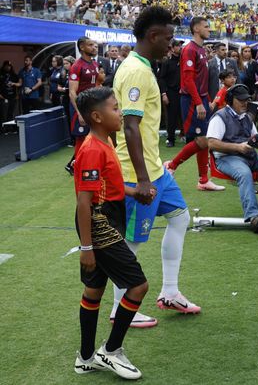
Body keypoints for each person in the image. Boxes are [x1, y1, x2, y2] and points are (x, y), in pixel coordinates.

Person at [114, 6, 201, 328]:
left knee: (180, 217)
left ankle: (170, 292)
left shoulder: (142, 66)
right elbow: (131, 127)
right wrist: (140, 181)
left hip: (155, 170)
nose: (172, 45)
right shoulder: (136, 71)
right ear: (152, 36)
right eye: (168, 38)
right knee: (132, 242)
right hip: (140, 175)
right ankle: (119, 309)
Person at [72, 87, 146, 379]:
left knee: (94, 290)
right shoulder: (91, 149)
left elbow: (108, 186)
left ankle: (86, 357)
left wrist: (133, 191)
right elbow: (83, 201)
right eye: (115, 108)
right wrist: (86, 248)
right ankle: (110, 351)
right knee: (138, 286)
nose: (121, 113)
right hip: (98, 221)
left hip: (108, 215)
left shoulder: (105, 142)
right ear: (96, 116)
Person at [207, 84, 258, 234]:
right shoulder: (219, 117)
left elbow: (256, 142)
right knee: (245, 173)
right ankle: (253, 217)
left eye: (247, 100)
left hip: (250, 156)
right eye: (241, 100)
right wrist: (238, 147)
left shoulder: (247, 118)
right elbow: (211, 143)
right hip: (228, 158)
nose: (245, 103)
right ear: (231, 100)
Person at [164, 17, 225, 192]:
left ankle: (203, 180)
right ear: (196, 29)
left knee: (203, 139)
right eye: (206, 26)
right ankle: (172, 165)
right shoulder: (190, 49)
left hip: (201, 98)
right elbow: (189, 79)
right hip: (192, 100)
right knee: (202, 140)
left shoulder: (200, 49)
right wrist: (199, 103)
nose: (209, 29)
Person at [66, 36, 100, 175]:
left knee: (93, 137)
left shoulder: (95, 64)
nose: (94, 47)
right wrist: (79, 112)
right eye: (90, 45)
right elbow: (72, 92)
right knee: (81, 139)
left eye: (95, 45)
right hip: (80, 109)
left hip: (92, 107)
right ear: (82, 47)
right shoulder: (76, 66)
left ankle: (86, 165)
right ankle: (77, 168)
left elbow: (96, 85)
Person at [158, 39, 182, 148]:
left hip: (184, 92)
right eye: (177, 46)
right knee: (172, 117)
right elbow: (162, 79)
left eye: (181, 45)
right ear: (172, 48)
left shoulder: (184, 61)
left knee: (185, 115)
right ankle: (170, 138)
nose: (180, 47)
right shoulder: (166, 62)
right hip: (171, 92)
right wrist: (164, 94)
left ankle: (187, 136)